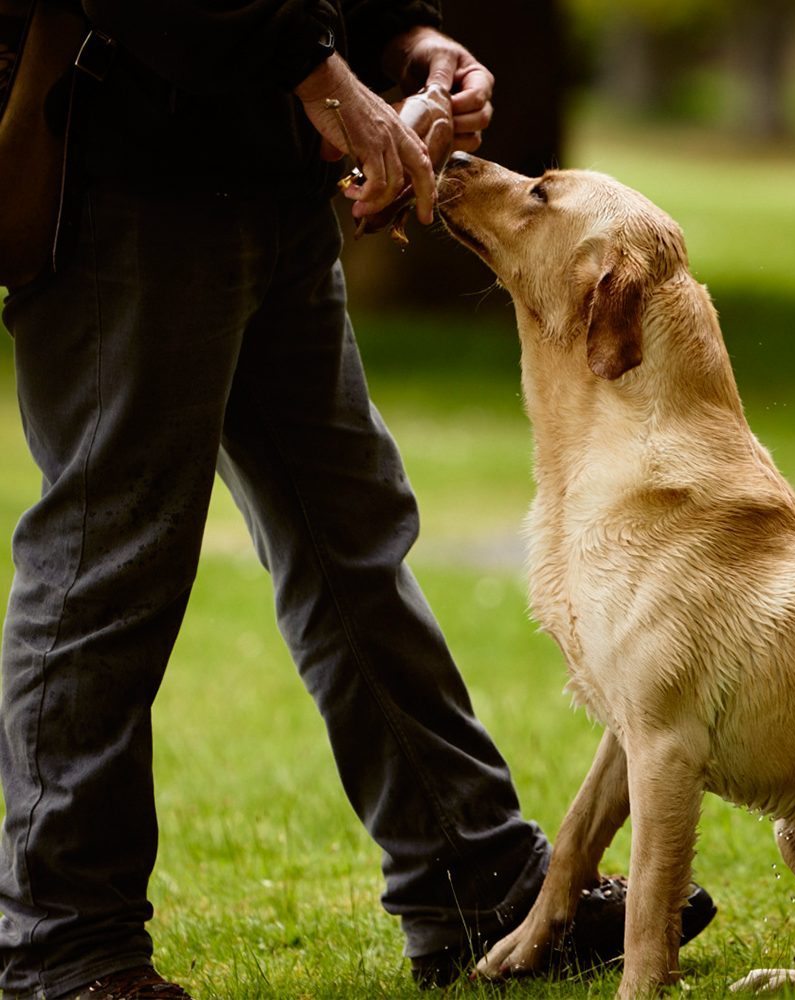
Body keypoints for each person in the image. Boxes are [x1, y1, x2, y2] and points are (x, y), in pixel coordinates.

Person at [0, 2, 715, 998]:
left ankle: (474, 882)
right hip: (132, 173)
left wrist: (405, 38)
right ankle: (62, 943)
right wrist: (323, 76)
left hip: (270, 181)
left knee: (351, 544)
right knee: (106, 563)